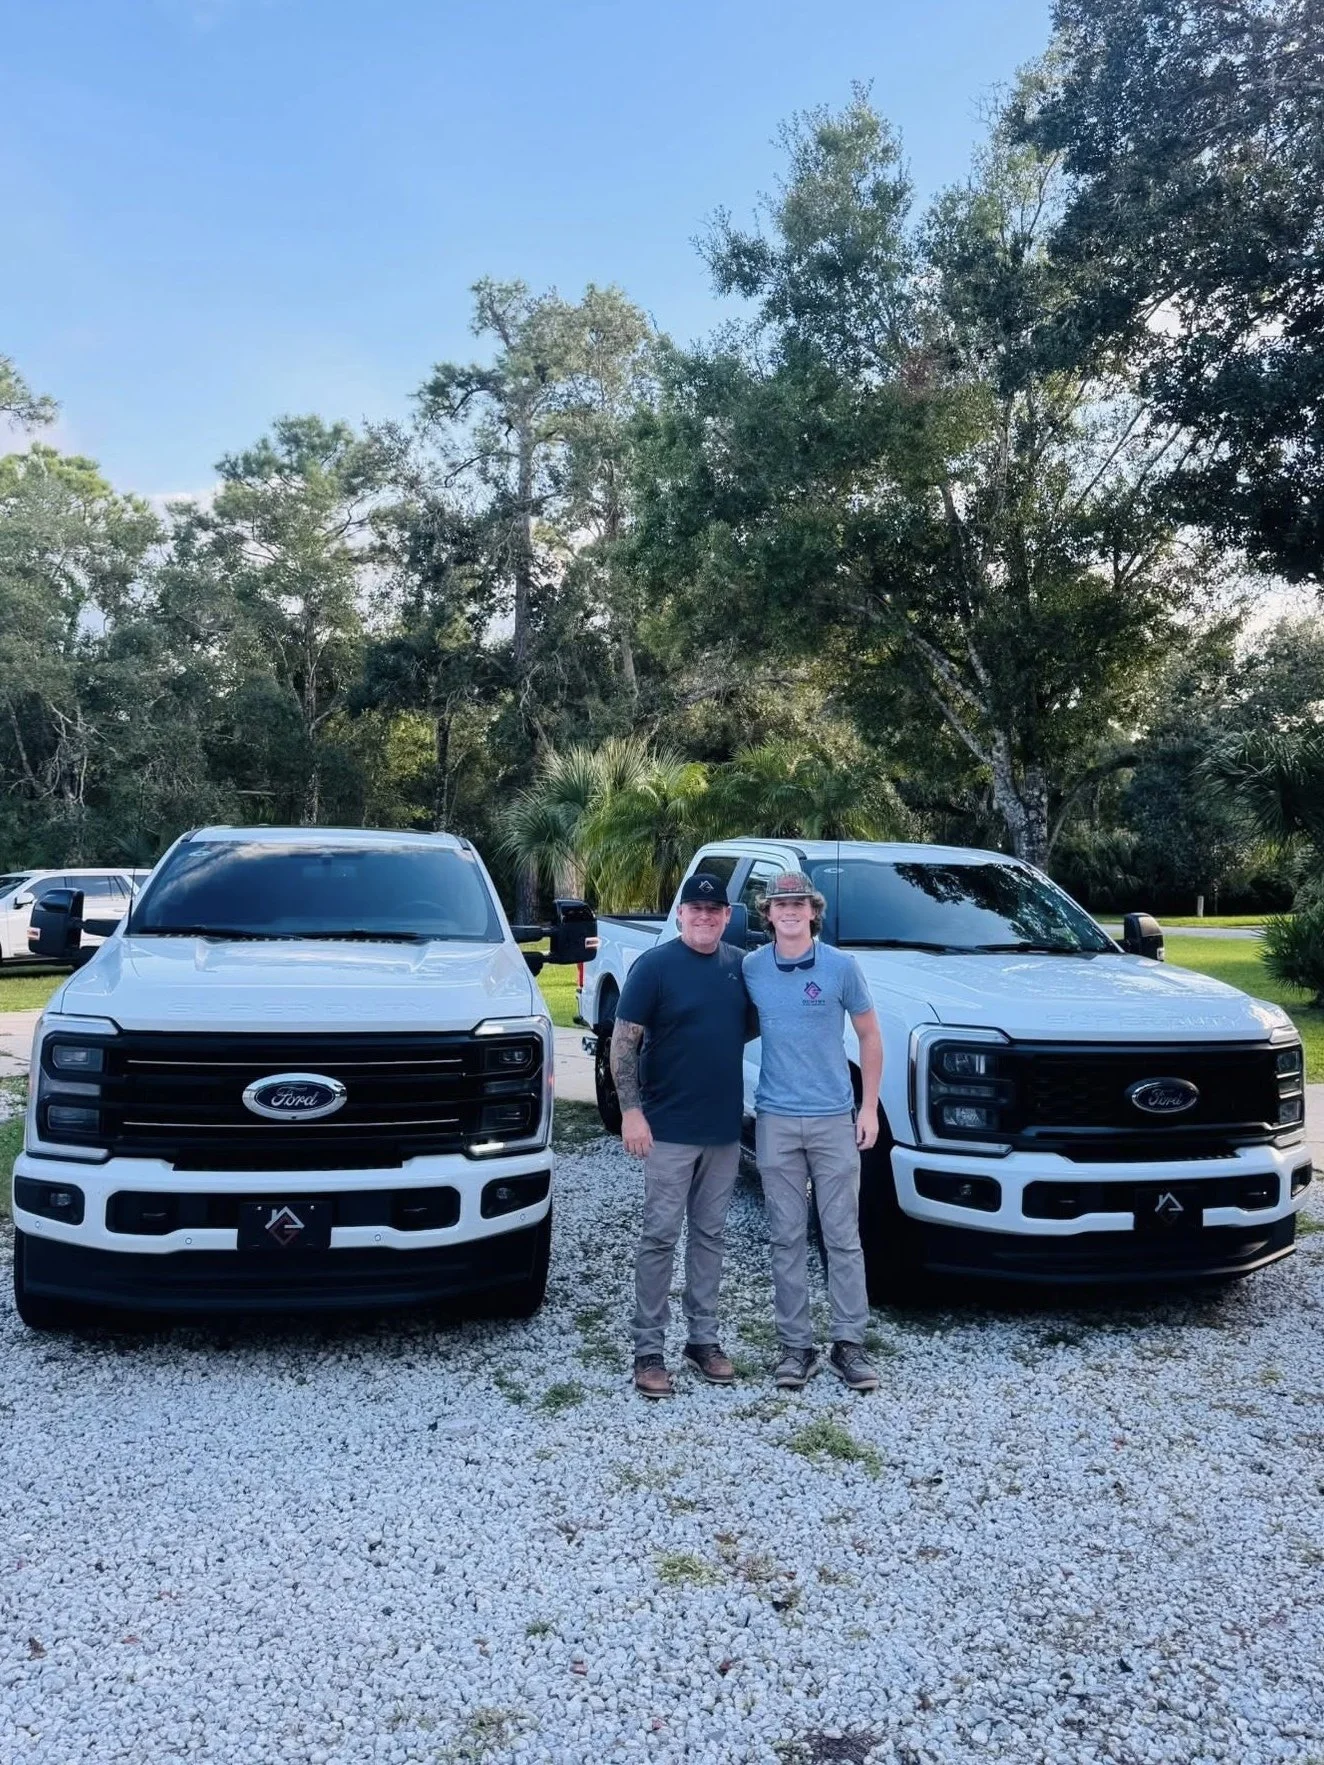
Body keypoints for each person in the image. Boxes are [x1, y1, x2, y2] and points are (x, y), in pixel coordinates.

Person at [742, 870, 884, 1393]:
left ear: (813, 910)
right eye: (781, 905)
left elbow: (870, 1036)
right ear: (769, 914)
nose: (791, 912)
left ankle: (849, 1344)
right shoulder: (753, 968)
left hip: (833, 1118)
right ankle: (795, 1348)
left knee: (842, 1236)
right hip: (775, 1118)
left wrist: (868, 1109)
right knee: (785, 1236)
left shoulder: (842, 967)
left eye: (799, 903)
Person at [610, 872, 751, 1399]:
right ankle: (648, 1351)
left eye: (715, 910)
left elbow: (747, 1026)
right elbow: (623, 1044)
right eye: (696, 908)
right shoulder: (655, 967)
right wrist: (632, 1112)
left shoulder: (741, 967)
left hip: (722, 1129)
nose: (705, 917)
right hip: (667, 1128)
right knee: (660, 1238)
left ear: (728, 915)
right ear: (680, 913)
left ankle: (703, 1340)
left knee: (711, 1237)